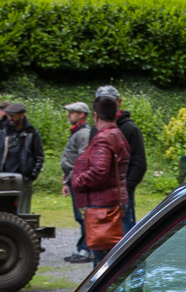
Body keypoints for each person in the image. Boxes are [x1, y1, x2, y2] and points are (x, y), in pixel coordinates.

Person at [70, 97, 131, 267]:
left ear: (95, 116)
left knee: (102, 263)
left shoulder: (104, 138)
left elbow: (99, 171)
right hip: (114, 200)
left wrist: (77, 181)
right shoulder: (118, 134)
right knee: (114, 257)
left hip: (102, 206)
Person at [94, 86, 146, 233]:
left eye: (109, 102)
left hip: (121, 195)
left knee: (124, 237)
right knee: (98, 237)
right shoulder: (95, 129)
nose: (105, 107)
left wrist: (125, 189)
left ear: (119, 102)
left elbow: (139, 163)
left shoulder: (130, 129)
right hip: (98, 195)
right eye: (101, 103)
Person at [0, 103, 43, 212]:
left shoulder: (32, 133)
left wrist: (32, 175)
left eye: (13, 115)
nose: (10, 118)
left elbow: (39, 157)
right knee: (2, 212)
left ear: (22, 115)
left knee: (23, 214)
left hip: (23, 178)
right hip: (3, 177)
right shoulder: (1, 131)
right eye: (8, 115)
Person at [60, 102, 93, 262]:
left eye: (72, 112)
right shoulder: (77, 132)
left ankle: (86, 250)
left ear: (82, 114)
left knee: (84, 217)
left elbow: (82, 160)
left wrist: (74, 179)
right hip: (74, 180)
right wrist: (66, 182)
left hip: (79, 182)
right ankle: (83, 249)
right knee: (80, 217)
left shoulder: (83, 134)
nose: (68, 115)